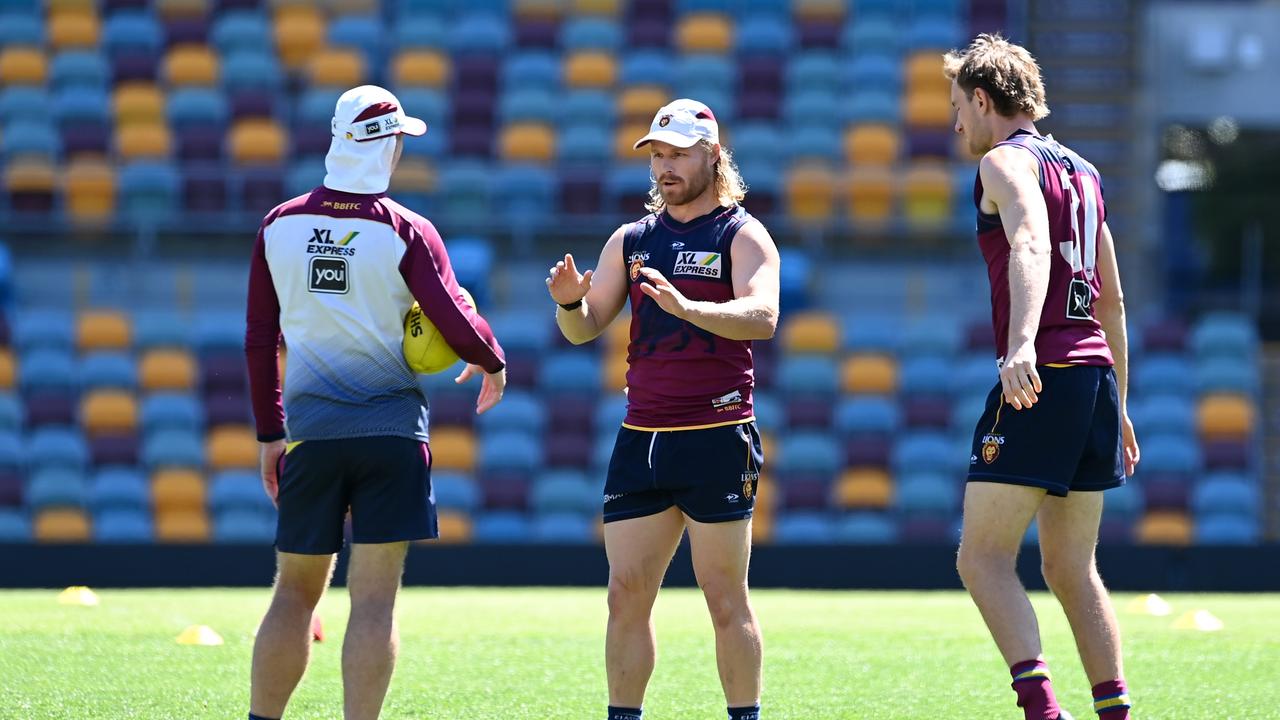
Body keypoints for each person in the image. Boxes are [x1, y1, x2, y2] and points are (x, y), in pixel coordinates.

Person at [243, 85, 507, 720]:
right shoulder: (406, 229)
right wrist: (493, 360)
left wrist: (269, 435)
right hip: (392, 436)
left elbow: (258, 339)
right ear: (387, 146)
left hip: (309, 435)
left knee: (294, 595)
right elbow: (450, 314)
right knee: (373, 601)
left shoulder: (279, 225)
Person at [546, 99, 779, 720]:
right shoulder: (632, 239)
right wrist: (571, 304)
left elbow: (764, 315)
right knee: (625, 596)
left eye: (677, 154)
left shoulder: (742, 233)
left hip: (718, 435)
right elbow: (585, 327)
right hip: (642, 437)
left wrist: (690, 309)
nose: (664, 167)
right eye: (657, 155)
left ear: (712, 154)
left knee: (725, 599)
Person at [945, 35, 1140, 720]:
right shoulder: (1085, 171)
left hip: (1046, 372)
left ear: (981, 97)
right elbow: (1111, 298)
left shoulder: (1003, 162)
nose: (956, 125)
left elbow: (1028, 238)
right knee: (1070, 568)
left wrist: (1021, 344)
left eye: (957, 108)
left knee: (982, 558)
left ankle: (1042, 711)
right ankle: (1114, 712)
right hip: (1093, 379)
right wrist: (1119, 405)